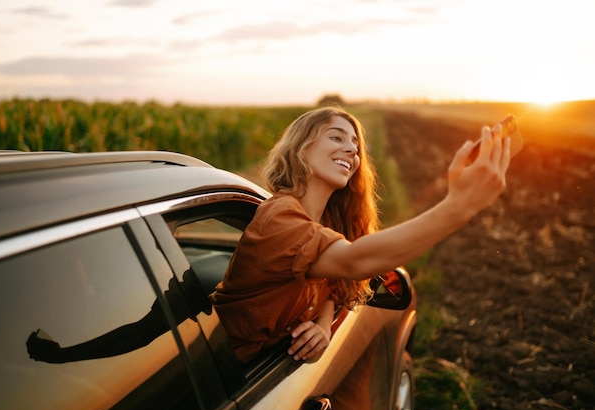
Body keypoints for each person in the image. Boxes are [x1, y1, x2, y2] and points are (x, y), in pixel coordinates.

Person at [210, 106, 511, 365]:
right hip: (216, 378)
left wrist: (324, 325)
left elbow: (328, 285)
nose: (352, 149)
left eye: (355, 144)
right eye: (337, 137)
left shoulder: (322, 224)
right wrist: (458, 207)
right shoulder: (280, 218)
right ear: (302, 148)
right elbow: (355, 261)